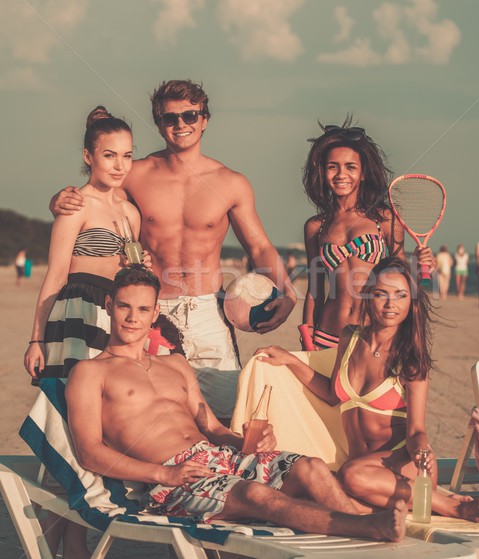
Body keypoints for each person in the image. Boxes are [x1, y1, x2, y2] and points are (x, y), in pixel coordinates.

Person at [65, 266, 406, 542]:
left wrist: (246, 443)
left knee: (312, 468)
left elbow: (212, 428)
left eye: (142, 309)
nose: (132, 318)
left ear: (155, 313)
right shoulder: (91, 372)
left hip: (223, 458)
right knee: (258, 497)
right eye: (124, 306)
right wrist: (164, 473)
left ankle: (363, 538)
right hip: (176, 478)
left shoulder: (175, 364)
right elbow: (89, 452)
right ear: (109, 306)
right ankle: (368, 529)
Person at [50, 80, 297, 423]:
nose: (181, 124)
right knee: (151, 416)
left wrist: (288, 293)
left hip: (207, 312)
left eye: (190, 115)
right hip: (150, 310)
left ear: (204, 119)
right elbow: (95, 196)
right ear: (159, 123)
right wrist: (59, 200)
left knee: (225, 412)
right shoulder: (136, 174)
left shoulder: (231, 182)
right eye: (170, 118)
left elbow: (259, 246)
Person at [257, 257, 479, 522]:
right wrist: (291, 360)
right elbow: (333, 394)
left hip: (404, 467)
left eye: (400, 295)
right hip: (362, 470)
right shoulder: (350, 337)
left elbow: (417, 431)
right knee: (313, 493)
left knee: (348, 476)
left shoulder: (411, 360)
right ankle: (400, 508)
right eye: (382, 294)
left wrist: (421, 453)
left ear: (411, 301)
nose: (391, 304)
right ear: (369, 295)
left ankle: (448, 507)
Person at [23, 106, 148, 559]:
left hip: (111, 319)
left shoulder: (131, 213)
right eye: (109, 155)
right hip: (74, 317)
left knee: (89, 437)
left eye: (127, 156)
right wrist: (35, 338)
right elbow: (54, 275)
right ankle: (39, 551)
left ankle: (71, 551)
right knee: (69, 440)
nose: (119, 165)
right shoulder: (75, 204)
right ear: (89, 156)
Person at [299, 120, 434, 350]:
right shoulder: (316, 226)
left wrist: (422, 267)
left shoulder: (385, 219)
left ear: (363, 174)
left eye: (350, 167)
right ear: (323, 172)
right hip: (327, 335)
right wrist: (306, 331)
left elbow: (401, 280)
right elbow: (315, 288)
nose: (341, 174)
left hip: (373, 335)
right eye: (333, 166)